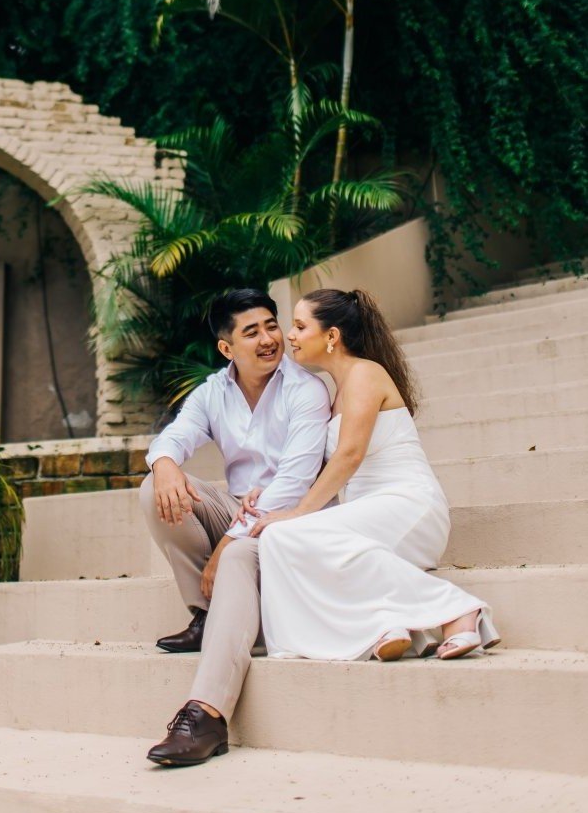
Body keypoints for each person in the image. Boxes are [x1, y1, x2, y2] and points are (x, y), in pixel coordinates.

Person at [247, 288, 500, 664]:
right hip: (367, 517)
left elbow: (349, 455)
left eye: (300, 326)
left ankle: (457, 610)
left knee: (286, 533)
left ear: (332, 336)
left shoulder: (365, 373)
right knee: (277, 540)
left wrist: (298, 512)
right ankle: (385, 624)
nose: (291, 335)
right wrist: (264, 492)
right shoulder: (334, 391)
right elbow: (313, 467)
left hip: (408, 506)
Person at [140, 288, 331, 767]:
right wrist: (164, 464)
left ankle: (206, 716)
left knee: (241, 552)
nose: (269, 339)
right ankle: (207, 614)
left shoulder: (305, 389)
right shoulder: (213, 392)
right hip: (240, 511)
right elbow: (175, 436)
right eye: (252, 332)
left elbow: (294, 483)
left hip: (291, 520)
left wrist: (227, 544)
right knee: (154, 488)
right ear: (227, 347)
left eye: (271, 326)